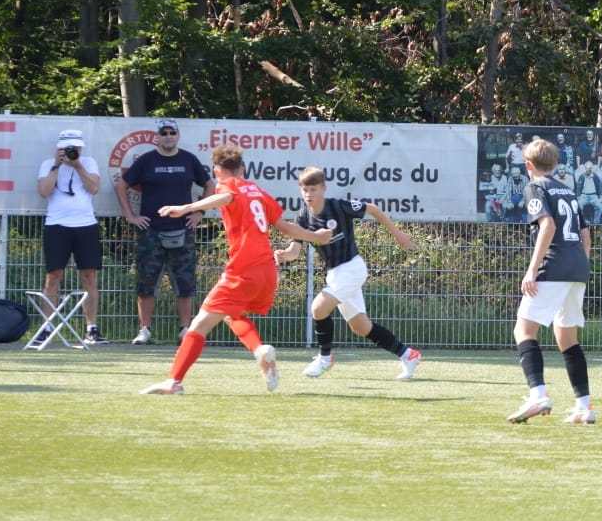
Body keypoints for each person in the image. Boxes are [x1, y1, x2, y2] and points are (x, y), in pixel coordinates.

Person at [140, 145, 331, 395]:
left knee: (199, 325)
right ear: (242, 168)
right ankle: (259, 351)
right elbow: (285, 227)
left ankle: (173, 382)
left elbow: (226, 196)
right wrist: (316, 236)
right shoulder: (258, 191)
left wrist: (187, 208)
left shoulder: (227, 186)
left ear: (217, 171)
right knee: (233, 314)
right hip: (267, 271)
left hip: (243, 270)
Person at [275, 167, 422, 381]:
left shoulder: (338, 206)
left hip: (352, 268)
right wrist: (283, 255)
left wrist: (397, 233)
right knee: (361, 327)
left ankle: (325, 358)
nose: (308, 194)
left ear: (323, 189)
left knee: (318, 308)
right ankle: (408, 355)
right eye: (304, 190)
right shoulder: (303, 216)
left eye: (313, 189)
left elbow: (372, 209)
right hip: (334, 274)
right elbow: (294, 251)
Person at [508, 138, 595, 425]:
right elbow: (585, 235)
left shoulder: (535, 187)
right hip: (578, 267)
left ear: (528, 165)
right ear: (556, 164)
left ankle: (538, 395)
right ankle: (584, 407)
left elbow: (548, 225)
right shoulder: (568, 191)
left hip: (554, 265)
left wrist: (532, 270)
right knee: (567, 338)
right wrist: (579, 264)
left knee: (524, 330)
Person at [118, 119, 214, 345]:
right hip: (150, 231)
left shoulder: (188, 159)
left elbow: (210, 185)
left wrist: (200, 212)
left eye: (172, 132)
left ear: (177, 135)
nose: (168, 136)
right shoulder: (146, 160)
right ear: (158, 136)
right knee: (146, 282)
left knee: (185, 283)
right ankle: (144, 330)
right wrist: (131, 216)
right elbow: (121, 185)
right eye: (164, 133)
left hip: (183, 230)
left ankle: (185, 330)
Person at [33, 129, 107, 345]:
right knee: (53, 276)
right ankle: (47, 327)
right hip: (56, 224)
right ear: (59, 149)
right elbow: (44, 191)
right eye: (67, 148)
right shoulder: (48, 164)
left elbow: (94, 188)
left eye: (76, 148)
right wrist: (57, 165)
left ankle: (92, 328)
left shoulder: (89, 163)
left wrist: (78, 165)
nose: (72, 151)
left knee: (90, 276)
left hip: (86, 225)